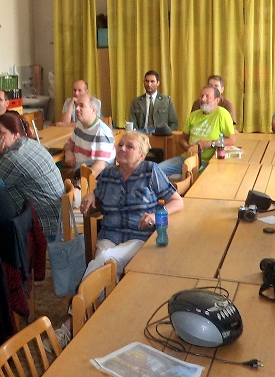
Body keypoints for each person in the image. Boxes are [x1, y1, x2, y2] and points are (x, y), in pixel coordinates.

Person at [51, 131, 183, 349]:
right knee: (104, 260)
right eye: (120, 144)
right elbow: (98, 203)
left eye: (129, 147)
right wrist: (91, 197)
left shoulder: (150, 171)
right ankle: (99, 323)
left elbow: (177, 201)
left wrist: (155, 215)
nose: (122, 148)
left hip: (138, 237)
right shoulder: (108, 175)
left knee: (105, 261)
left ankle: (71, 323)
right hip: (110, 234)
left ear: (141, 155)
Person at [0, 113, 64, 240]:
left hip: (46, 225)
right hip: (58, 215)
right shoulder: (30, 143)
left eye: (1, 133)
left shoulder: (14, 158)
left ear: (15, 134)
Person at [158, 85, 235, 177]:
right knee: (157, 169)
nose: (203, 99)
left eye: (207, 96)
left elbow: (231, 140)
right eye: (201, 96)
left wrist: (210, 143)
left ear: (217, 100)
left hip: (208, 162)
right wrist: (188, 147)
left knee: (193, 179)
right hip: (188, 158)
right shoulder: (194, 115)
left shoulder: (222, 114)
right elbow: (182, 139)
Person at [63, 94, 116, 177]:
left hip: (97, 177)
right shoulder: (80, 125)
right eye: (76, 105)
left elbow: (100, 166)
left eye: (81, 106)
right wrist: (68, 152)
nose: (77, 109)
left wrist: (81, 183)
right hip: (81, 170)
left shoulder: (101, 132)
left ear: (93, 110)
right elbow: (69, 144)